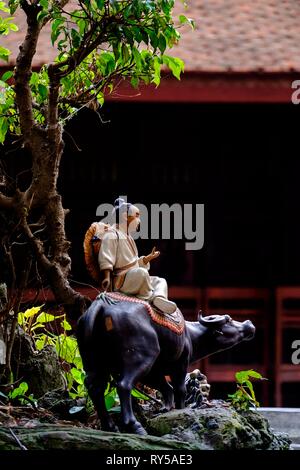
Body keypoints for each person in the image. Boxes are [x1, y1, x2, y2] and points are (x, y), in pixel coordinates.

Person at [98, 198, 177, 314]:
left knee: (160, 281)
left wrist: (146, 259)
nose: (139, 220)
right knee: (142, 273)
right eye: (137, 216)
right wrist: (106, 276)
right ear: (125, 216)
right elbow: (106, 257)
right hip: (121, 281)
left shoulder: (128, 237)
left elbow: (132, 263)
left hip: (132, 277)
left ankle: (159, 299)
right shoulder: (112, 234)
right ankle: (150, 299)